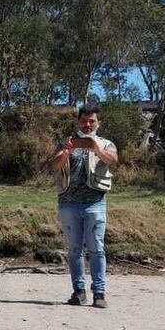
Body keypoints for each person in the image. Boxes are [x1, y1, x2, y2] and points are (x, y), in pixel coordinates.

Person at [51, 105, 118, 308]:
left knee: (97, 248)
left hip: (95, 203)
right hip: (68, 203)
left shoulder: (106, 143)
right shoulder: (65, 142)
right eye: (84, 121)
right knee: (74, 250)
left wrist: (96, 148)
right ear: (77, 122)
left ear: (98, 123)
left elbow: (112, 160)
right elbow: (55, 165)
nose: (87, 125)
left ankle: (99, 293)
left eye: (92, 121)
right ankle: (78, 292)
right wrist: (67, 151)